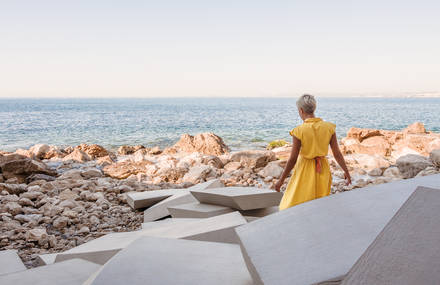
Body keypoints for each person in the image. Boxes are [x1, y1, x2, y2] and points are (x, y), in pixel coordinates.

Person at [275, 94, 351, 210]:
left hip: (304, 170)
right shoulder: (329, 127)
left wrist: (281, 180)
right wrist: (346, 172)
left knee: (294, 203)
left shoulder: (299, 131)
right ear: (313, 108)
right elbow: (337, 153)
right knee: (319, 205)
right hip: (323, 169)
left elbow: (292, 159)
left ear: (301, 110)